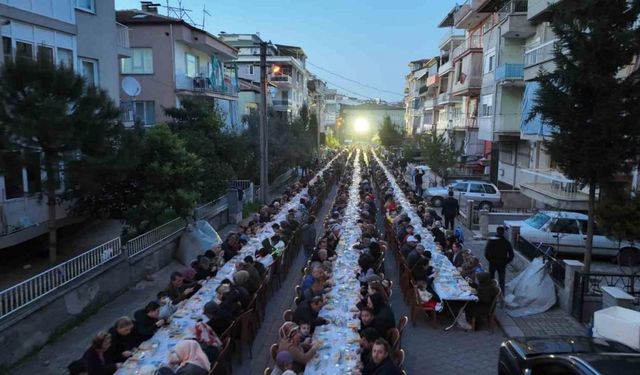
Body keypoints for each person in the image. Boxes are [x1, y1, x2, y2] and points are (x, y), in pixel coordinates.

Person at [483, 226, 514, 292]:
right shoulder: (506, 242)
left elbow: (486, 253)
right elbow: (511, 255)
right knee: (501, 281)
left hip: (493, 263)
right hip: (502, 264)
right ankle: (501, 295)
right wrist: (506, 261)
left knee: (491, 280)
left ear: (497, 232)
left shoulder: (491, 241)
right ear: (503, 233)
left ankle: (491, 293)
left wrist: (490, 260)